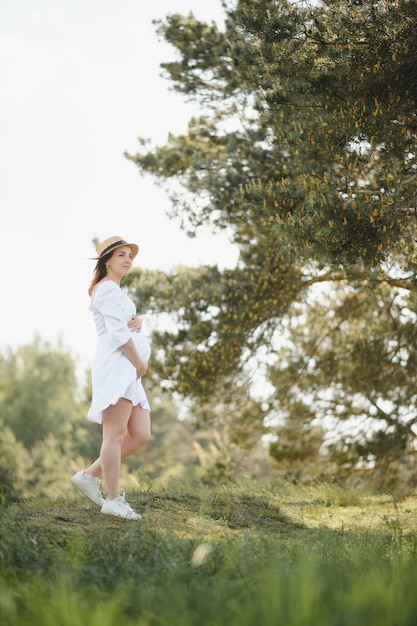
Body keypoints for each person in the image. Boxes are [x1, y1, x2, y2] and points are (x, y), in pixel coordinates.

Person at [72, 236, 151, 520]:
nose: (128, 259)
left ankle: (89, 476)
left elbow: (124, 325)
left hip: (128, 369)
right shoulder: (106, 289)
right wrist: (139, 361)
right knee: (115, 435)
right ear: (107, 260)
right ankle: (113, 500)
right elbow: (117, 335)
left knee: (141, 433)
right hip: (119, 366)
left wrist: (137, 321)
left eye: (130, 255)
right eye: (121, 255)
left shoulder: (114, 291)